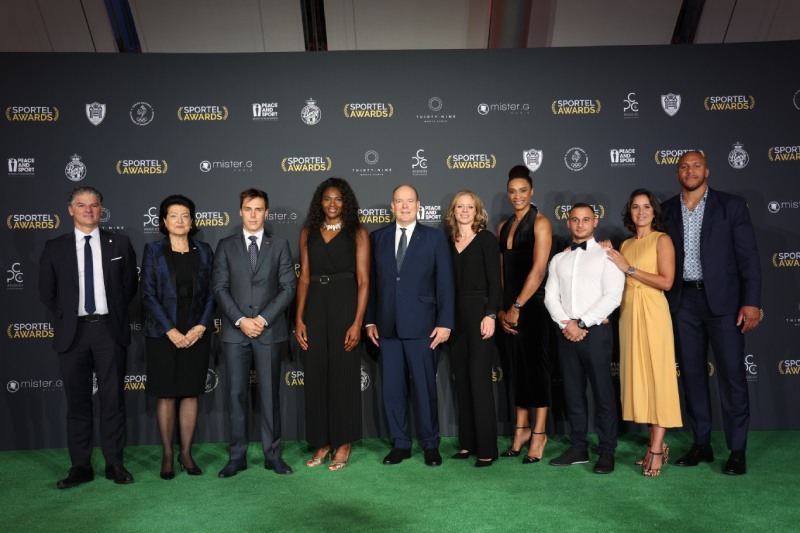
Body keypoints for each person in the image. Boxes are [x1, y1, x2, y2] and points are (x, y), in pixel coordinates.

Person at [662, 151, 761, 475]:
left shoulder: (730, 206)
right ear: (677, 173)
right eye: (684, 167)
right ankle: (701, 443)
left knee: (732, 377)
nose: (690, 171)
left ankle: (737, 449)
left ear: (707, 170)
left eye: (696, 166)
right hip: (683, 303)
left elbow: (749, 258)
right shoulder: (665, 210)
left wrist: (751, 302)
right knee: (692, 376)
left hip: (725, 305)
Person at [38, 186, 138, 488]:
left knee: (113, 400)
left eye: (93, 205)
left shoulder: (119, 243)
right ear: (70, 210)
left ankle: (114, 463)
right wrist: (71, 316)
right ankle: (80, 465)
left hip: (109, 330)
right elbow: (47, 293)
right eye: (81, 205)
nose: (88, 211)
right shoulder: (55, 247)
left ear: (101, 209)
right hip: (73, 333)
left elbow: (129, 287)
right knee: (78, 402)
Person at [365, 184, 455, 467]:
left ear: (419, 205)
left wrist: (445, 323)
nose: (404, 206)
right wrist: (369, 319)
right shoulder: (376, 238)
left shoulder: (435, 238)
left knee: (425, 390)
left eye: (410, 201)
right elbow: (371, 284)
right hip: (388, 329)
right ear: (391, 206)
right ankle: (401, 443)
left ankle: (430, 445)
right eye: (399, 202)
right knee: (392, 391)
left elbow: (445, 284)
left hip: (424, 328)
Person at [212, 188, 297, 477]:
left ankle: (273, 456)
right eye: (248, 208)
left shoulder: (280, 244)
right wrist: (240, 320)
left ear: (266, 213)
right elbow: (219, 288)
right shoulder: (225, 245)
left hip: (269, 331)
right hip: (236, 334)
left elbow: (288, 287)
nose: (253, 214)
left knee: (270, 396)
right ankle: (236, 457)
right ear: (240, 211)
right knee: (236, 395)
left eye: (258, 209)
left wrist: (261, 319)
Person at [606, 189, 683, 477]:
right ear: (630, 212)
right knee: (642, 380)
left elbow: (666, 281)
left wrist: (630, 268)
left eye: (646, 207)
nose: (641, 212)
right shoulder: (625, 244)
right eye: (636, 207)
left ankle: (655, 449)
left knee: (658, 379)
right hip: (629, 314)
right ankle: (655, 444)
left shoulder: (662, 240)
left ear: (654, 212)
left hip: (653, 312)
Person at [544, 203, 624, 474]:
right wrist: (567, 323)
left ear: (595, 222)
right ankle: (578, 447)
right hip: (566, 332)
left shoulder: (607, 255)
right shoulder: (558, 259)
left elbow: (613, 296)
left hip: (595, 333)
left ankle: (606, 451)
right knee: (573, 394)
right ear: (568, 223)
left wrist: (581, 323)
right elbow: (550, 297)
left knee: (603, 394)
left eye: (585, 219)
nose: (580, 224)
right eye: (575, 220)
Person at [295, 178, 369, 471]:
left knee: (343, 373)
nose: (332, 204)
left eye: (338, 199)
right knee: (315, 374)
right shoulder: (307, 233)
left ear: (345, 202)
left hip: (345, 304)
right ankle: (322, 441)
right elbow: (303, 278)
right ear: (319, 202)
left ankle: (344, 441)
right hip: (314, 305)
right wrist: (298, 318)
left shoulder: (358, 234)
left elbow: (364, 282)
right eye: (327, 199)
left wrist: (357, 322)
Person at [140, 194, 215, 480]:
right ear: (163, 221)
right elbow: (147, 293)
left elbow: (211, 293)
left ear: (192, 220)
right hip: (162, 331)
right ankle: (168, 455)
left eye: (185, 215)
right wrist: (170, 330)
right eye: (174, 215)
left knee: (189, 391)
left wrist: (200, 327)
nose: (180, 221)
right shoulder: (153, 251)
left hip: (196, 329)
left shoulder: (205, 251)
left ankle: (186, 453)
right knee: (168, 393)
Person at [496, 165, 553, 464]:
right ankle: (521, 430)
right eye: (512, 191)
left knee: (536, 370)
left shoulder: (540, 223)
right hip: (509, 309)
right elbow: (503, 271)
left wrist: (518, 306)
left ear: (531, 192)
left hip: (531, 307)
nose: (517, 196)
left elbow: (539, 269)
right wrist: (504, 309)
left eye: (522, 190)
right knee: (515, 369)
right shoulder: (503, 226)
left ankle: (540, 434)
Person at [445, 190, 502, 467]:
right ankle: (467, 444)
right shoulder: (448, 242)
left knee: (479, 381)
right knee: (463, 381)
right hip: (454, 318)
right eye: (460, 206)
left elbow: (495, 280)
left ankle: (487, 448)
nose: (465, 211)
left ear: (477, 211)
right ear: (453, 211)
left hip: (480, 313)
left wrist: (491, 314)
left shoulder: (487, 240)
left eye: (470, 206)